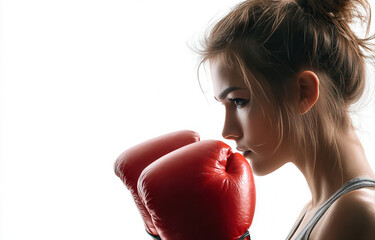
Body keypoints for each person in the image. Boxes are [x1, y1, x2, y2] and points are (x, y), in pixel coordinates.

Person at [197, 0, 375, 239]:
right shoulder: (315, 212)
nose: (227, 131)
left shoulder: (356, 213)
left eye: (238, 101)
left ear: (303, 92)